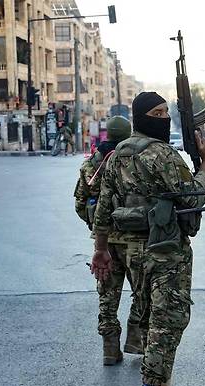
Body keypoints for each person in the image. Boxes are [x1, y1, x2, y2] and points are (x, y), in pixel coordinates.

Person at [90, 92, 205, 386]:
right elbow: (192, 197)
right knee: (167, 322)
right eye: (157, 113)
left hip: (133, 251)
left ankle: (158, 384)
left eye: (165, 112)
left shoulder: (118, 154)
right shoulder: (162, 155)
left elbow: (103, 207)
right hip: (166, 251)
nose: (163, 118)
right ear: (143, 117)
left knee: (153, 317)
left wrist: (101, 248)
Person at [74, 115, 148, 366]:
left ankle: (109, 349)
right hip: (135, 241)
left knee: (107, 297)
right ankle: (136, 342)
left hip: (104, 244)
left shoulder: (90, 165)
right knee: (142, 293)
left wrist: (94, 226)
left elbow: (79, 203)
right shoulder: (133, 160)